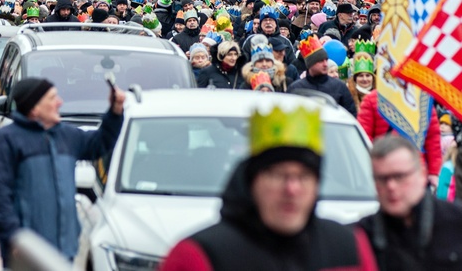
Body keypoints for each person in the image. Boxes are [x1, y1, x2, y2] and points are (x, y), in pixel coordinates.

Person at [160, 104, 377, 271]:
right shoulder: (199, 255)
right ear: (251, 182)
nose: (292, 189)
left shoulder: (348, 247)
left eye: (303, 176)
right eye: (278, 175)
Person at [0, 77, 125, 266]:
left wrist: (115, 112)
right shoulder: (6, 140)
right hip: (26, 253)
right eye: (52, 98)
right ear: (34, 108)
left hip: (65, 251)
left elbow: (100, 143)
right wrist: (13, 237)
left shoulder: (66, 135)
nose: (60, 102)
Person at [358, 135, 462, 271]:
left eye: (399, 176)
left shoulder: (455, 222)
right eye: (382, 179)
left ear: (422, 175)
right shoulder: (360, 236)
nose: (391, 186)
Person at [288, 36, 357, 116]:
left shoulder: (339, 86)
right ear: (310, 64)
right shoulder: (296, 88)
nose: (325, 64)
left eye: (326, 60)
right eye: (320, 61)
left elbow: (351, 115)